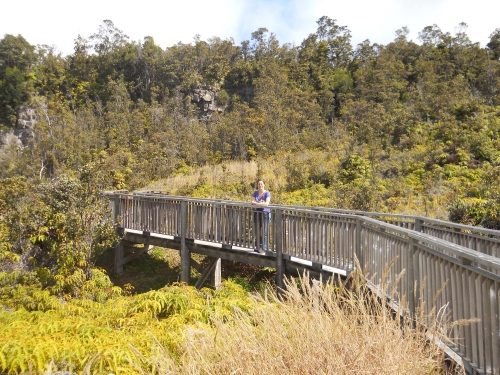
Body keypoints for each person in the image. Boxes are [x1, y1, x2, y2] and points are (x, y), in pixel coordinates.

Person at [251, 180, 271, 253]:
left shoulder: (267, 193)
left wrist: (257, 203)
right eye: (259, 184)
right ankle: (258, 246)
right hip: (257, 213)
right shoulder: (255, 193)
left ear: (264, 185)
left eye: (261, 184)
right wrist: (259, 203)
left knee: (264, 231)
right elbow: (252, 202)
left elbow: (266, 204)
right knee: (257, 231)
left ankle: (264, 247)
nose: (260, 185)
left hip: (265, 213)